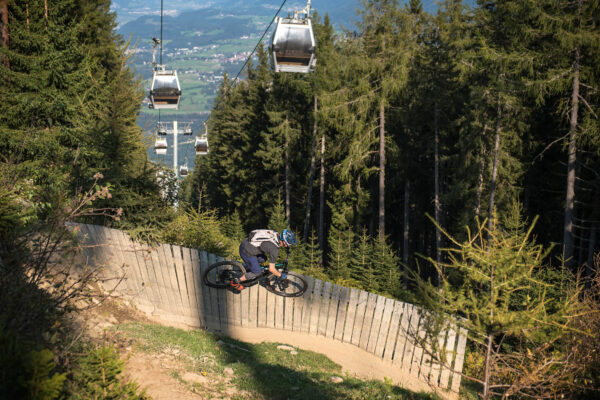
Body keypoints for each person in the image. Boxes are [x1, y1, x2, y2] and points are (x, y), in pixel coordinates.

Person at [231, 228, 297, 291]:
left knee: (264, 259)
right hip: (246, 251)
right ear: (285, 242)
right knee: (257, 272)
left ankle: (248, 267)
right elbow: (271, 269)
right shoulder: (274, 249)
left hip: (246, 242)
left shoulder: (274, 233)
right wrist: (281, 276)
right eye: (289, 244)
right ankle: (236, 281)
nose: (288, 246)